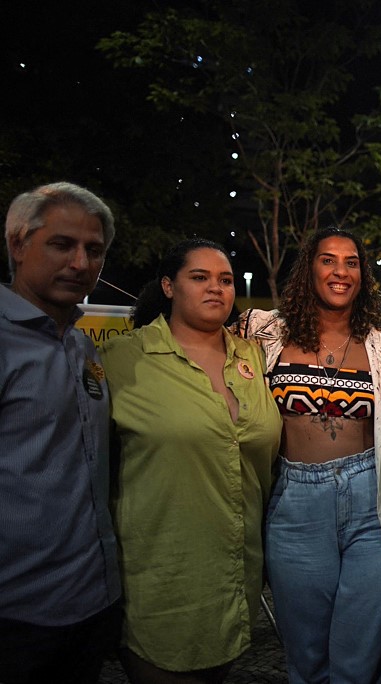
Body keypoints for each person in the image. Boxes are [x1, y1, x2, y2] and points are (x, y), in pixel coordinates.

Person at [235, 226, 381, 683]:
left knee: (360, 657)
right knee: (308, 656)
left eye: (351, 262)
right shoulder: (263, 335)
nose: (341, 271)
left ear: (362, 274)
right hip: (295, 502)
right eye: (328, 260)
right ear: (309, 269)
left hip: (371, 500)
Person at [100, 239, 281, 682]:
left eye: (225, 280)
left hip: (236, 576)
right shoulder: (122, 360)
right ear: (168, 286)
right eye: (198, 278)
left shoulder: (253, 359)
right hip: (160, 577)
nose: (215, 289)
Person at [0, 182, 120, 684]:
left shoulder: (82, 348)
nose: (80, 262)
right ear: (17, 244)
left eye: (94, 250)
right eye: (61, 244)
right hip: (18, 616)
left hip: (91, 603)